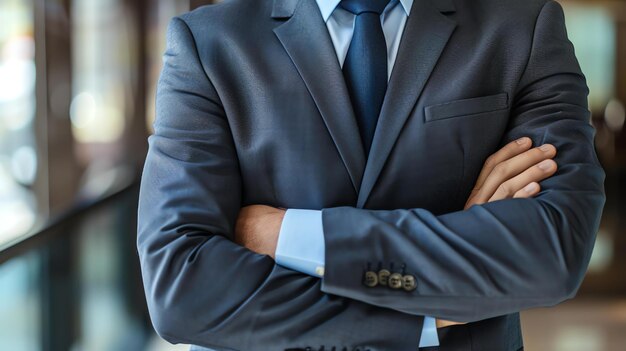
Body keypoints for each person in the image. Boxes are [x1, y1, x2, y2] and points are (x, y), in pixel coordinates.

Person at [136, 0, 605, 350]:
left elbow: (552, 250)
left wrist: (285, 234)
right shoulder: (207, 43)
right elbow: (180, 287)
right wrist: (427, 311)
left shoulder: (523, 27)